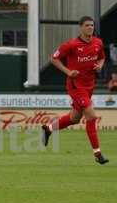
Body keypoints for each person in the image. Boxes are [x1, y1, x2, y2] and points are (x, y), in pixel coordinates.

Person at [42, 16, 108, 164]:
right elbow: (54, 58)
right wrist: (68, 72)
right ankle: (97, 154)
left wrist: (100, 65)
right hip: (76, 86)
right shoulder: (71, 45)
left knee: (75, 118)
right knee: (91, 116)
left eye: (92, 25)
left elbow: (102, 57)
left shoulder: (98, 42)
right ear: (81, 27)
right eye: (87, 25)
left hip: (89, 85)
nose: (90, 28)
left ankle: (48, 128)